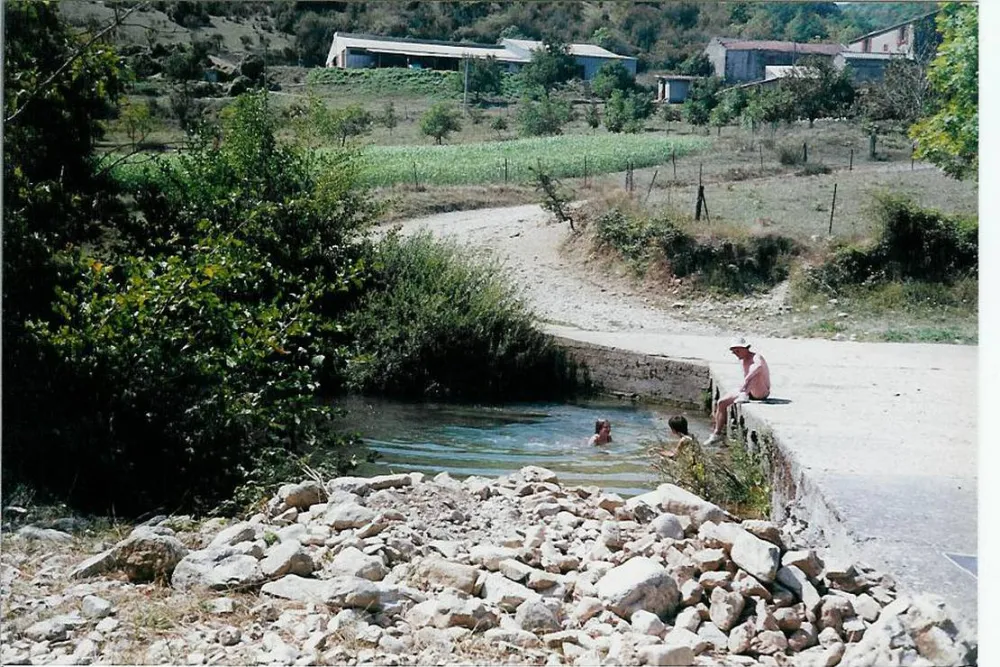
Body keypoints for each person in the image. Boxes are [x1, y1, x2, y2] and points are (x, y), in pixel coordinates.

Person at [705, 336, 770, 445]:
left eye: (737, 351)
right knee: (721, 403)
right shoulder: (743, 359)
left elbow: (758, 367)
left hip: (760, 392)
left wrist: (746, 379)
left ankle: (744, 394)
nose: (736, 354)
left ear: (745, 348)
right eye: (734, 352)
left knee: (756, 374)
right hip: (747, 389)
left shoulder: (756, 357)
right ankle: (717, 434)